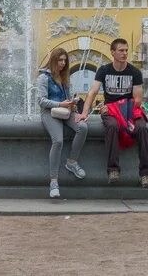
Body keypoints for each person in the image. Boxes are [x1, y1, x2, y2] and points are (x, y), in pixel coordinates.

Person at [77, 38, 148, 188]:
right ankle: (113, 170)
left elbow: (137, 100)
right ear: (113, 52)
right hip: (110, 112)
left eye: (126, 50)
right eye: (121, 50)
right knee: (112, 126)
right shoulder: (104, 70)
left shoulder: (135, 72)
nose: (125, 53)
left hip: (130, 111)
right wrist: (84, 113)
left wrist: (118, 107)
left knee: (143, 128)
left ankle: (145, 174)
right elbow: (92, 92)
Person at [36, 48, 88, 198]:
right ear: (53, 60)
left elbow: (68, 98)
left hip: (66, 111)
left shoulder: (65, 77)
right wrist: (60, 104)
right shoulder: (44, 77)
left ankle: (71, 161)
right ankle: (53, 182)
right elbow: (41, 101)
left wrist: (73, 105)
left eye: (65, 60)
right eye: (60, 60)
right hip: (49, 113)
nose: (63, 63)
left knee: (83, 127)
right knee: (58, 141)